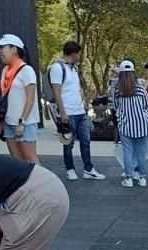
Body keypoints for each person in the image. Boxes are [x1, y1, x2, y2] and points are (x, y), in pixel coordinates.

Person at [49, 41, 107, 181]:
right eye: (79, 54)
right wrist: (62, 113)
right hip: (67, 112)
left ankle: (88, 169)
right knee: (68, 143)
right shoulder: (57, 68)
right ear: (74, 54)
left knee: (86, 141)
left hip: (80, 111)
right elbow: (56, 92)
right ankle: (70, 169)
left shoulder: (74, 68)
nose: (80, 57)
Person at [0, 34, 39, 163]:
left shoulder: (27, 70)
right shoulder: (5, 70)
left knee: (30, 158)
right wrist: (1, 121)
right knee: (16, 160)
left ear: (14, 49)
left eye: (2, 47)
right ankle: (24, 184)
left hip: (25, 123)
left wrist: (22, 122)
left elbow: (30, 99)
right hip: (8, 122)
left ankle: (42, 183)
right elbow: (4, 98)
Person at [112, 60, 148, 188]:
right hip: (141, 125)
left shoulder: (117, 91)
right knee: (141, 152)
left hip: (126, 125)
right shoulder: (141, 89)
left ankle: (129, 178)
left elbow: (116, 107)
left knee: (128, 152)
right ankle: (142, 178)